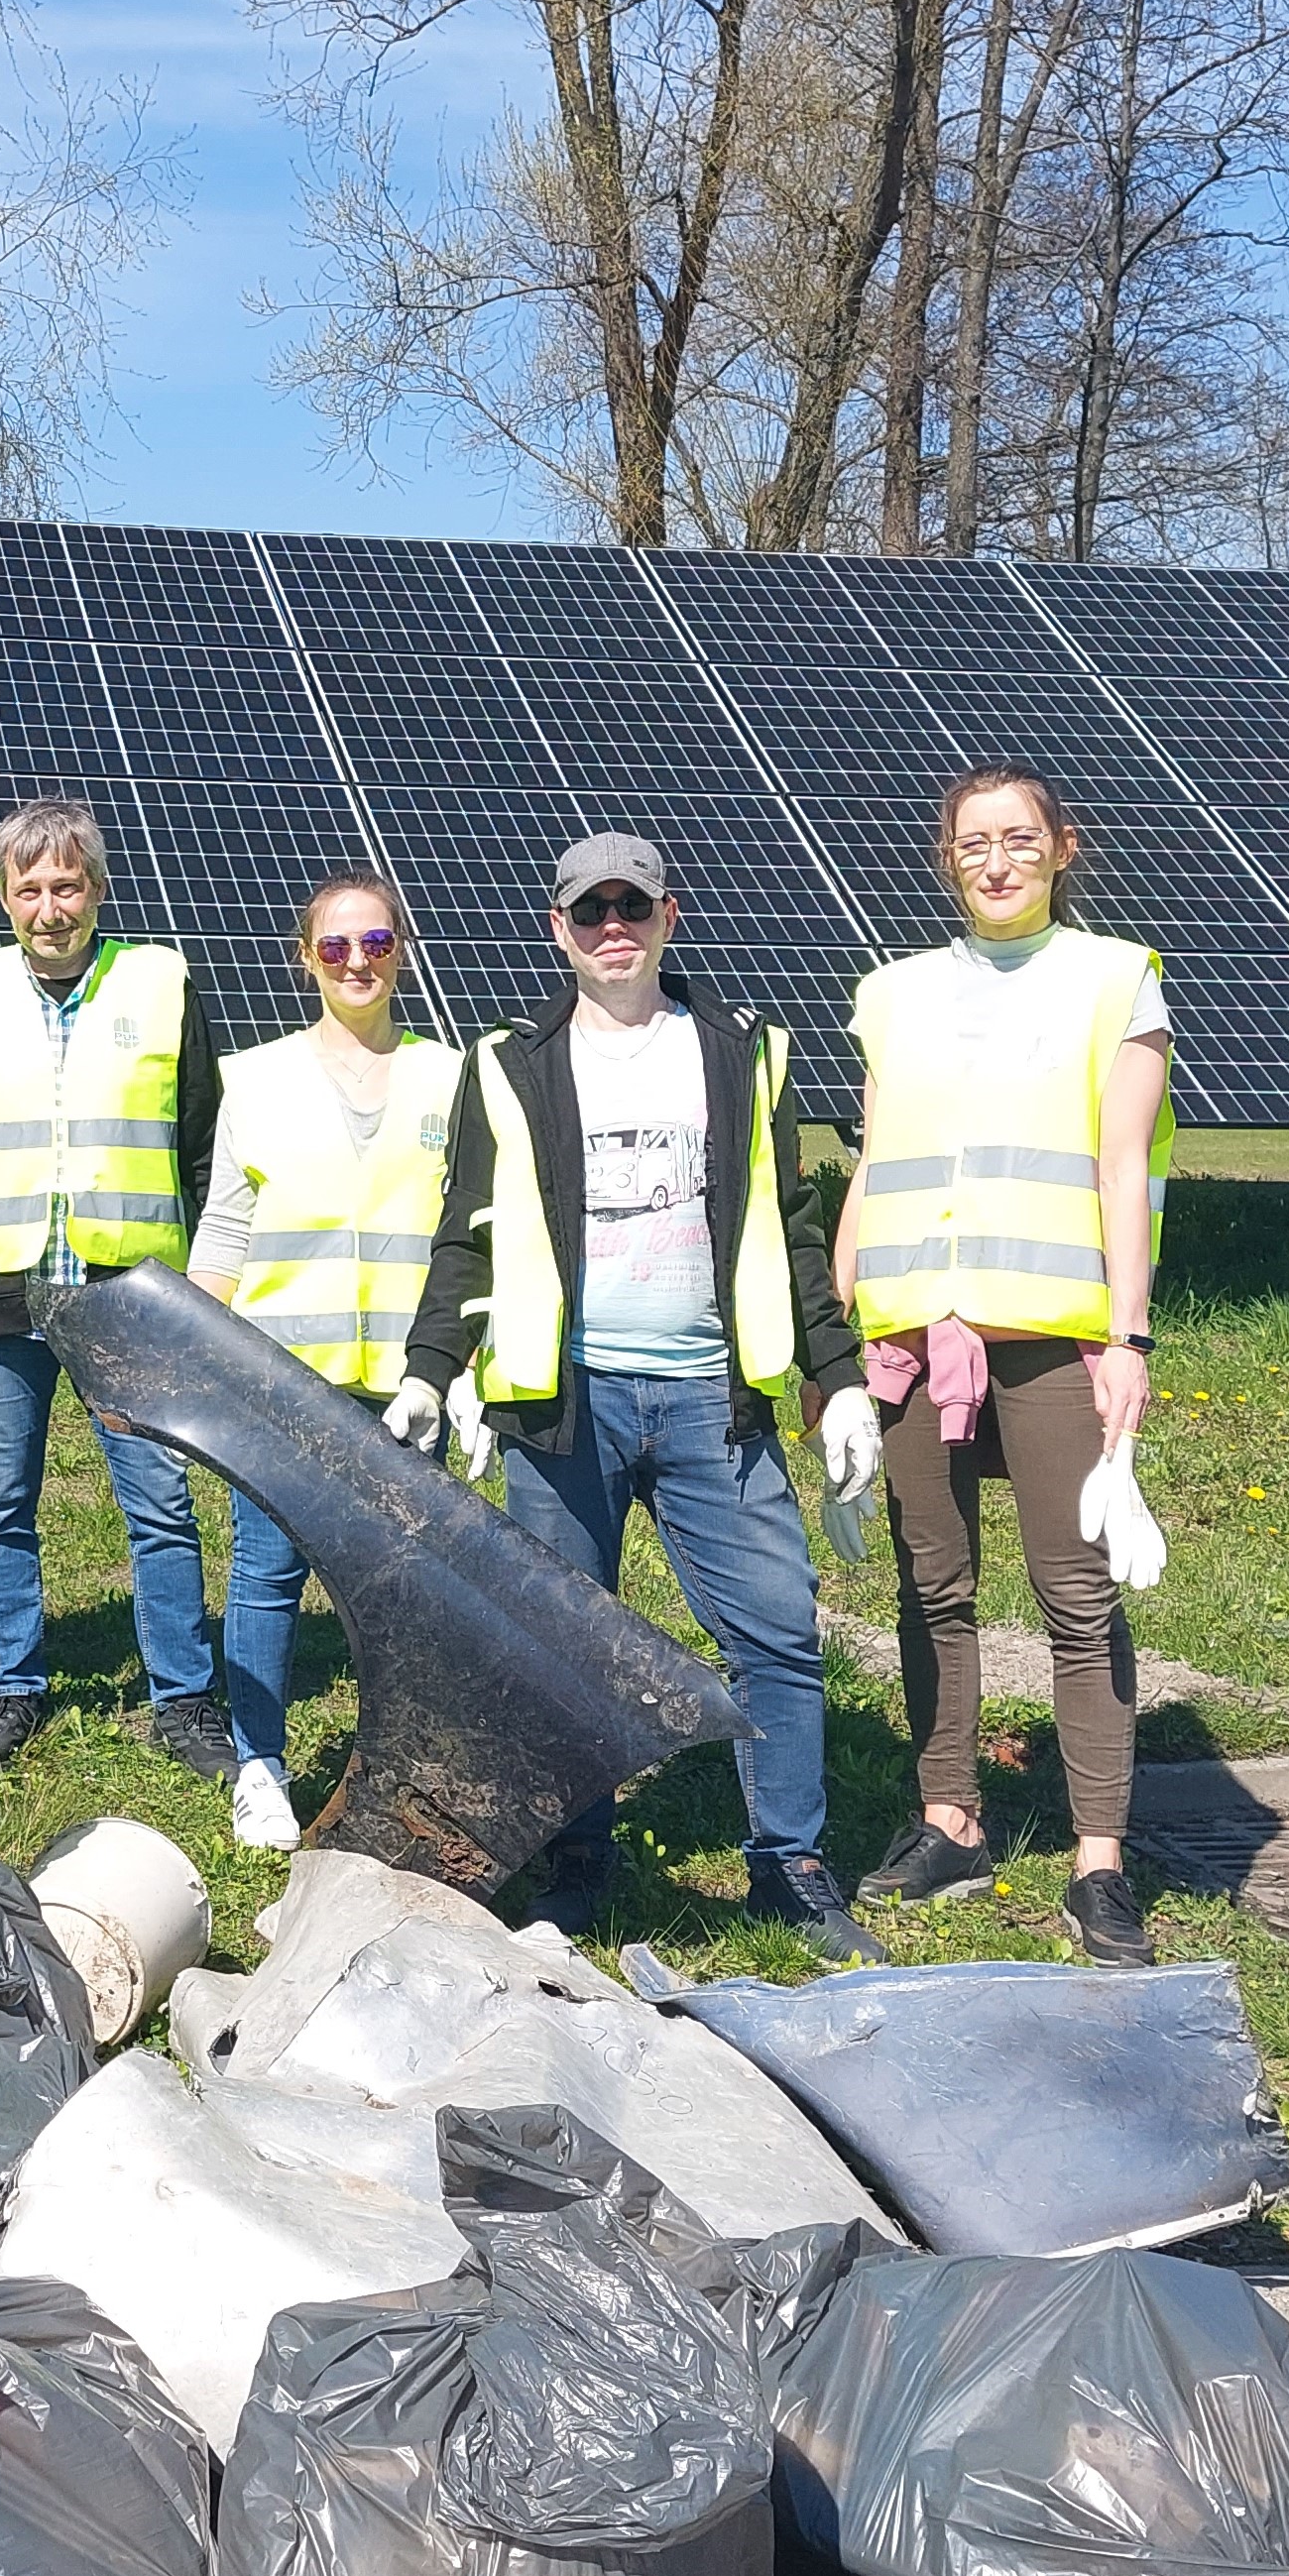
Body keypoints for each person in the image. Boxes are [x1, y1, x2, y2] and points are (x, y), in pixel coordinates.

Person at [394, 832, 885, 1958]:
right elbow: (466, 1232)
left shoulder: (741, 1053)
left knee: (772, 1632)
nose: (611, 925)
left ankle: (791, 1869)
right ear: (555, 927)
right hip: (565, 1404)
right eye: (588, 910)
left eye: (632, 905)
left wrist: (838, 1378)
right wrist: (431, 1369)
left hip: (714, 1398)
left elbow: (791, 1227)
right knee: (559, 1646)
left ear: (671, 916)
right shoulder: (510, 1065)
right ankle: (576, 1861)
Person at [836, 762, 1177, 1967]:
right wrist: (849, 1311)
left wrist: (1125, 1338)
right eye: (973, 841)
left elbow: (1123, 1165)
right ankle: (950, 1818)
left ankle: (1097, 1862)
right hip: (913, 1333)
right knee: (934, 1586)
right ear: (946, 857)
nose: (995, 858)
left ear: (1060, 850)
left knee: (1074, 1599)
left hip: (1051, 1336)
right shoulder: (890, 992)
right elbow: (877, 1156)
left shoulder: (1113, 978)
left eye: (1018, 838)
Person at [0, 796, 226, 1772]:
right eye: (28, 887)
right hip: (1, 1285)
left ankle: (183, 1693)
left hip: (132, 1294)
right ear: (5, 898)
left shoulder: (157, 984)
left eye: (66, 883)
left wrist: (221, 1274)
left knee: (157, 1497)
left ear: (96, 889)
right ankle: (11, 1681)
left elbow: (205, 1142)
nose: (48, 903)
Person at [188, 870, 463, 1850]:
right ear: (304, 956)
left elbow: (468, 1231)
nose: (356, 961)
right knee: (266, 1570)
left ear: (404, 949)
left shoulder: (451, 1077)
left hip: (408, 1381)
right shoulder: (255, 1077)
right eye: (335, 945)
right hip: (281, 1373)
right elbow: (222, 1235)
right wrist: (194, 1369)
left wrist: (461, 1362)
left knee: (406, 1579)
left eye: (376, 942)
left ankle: (400, 1761)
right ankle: (259, 1766)